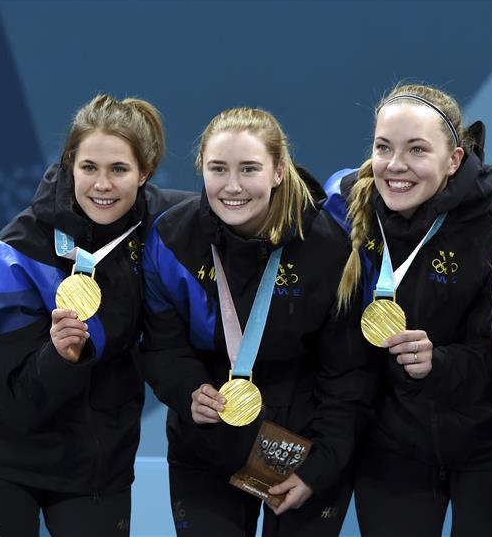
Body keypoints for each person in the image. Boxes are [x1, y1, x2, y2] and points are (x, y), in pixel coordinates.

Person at [324, 83, 492, 537]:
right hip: (394, 439)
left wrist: (441, 362)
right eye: (383, 148)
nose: (395, 166)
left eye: (416, 150)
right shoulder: (345, 207)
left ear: (453, 160)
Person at [0, 94, 189, 535]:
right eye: (89, 168)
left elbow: (235, 203)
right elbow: (13, 397)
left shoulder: (163, 223)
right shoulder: (20, 249)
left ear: (145, 174)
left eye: (119, 170)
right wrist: (60, 358)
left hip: (98, 459)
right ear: (69, 165)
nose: (102, 184)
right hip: (2, 450)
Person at [137, 107, 374, 537]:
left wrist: (317, 472)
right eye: (217, 169)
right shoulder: (172, 240)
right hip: (207, 448)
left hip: (305, 446)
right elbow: (161, 348)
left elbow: (348, 378)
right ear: (201, 170)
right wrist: (189, 391)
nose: (232, 186)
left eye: (249, 169)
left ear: (279, 170)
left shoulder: (327, 247)